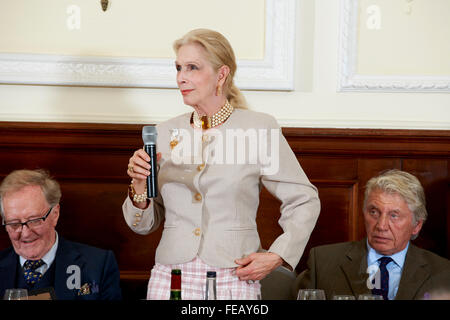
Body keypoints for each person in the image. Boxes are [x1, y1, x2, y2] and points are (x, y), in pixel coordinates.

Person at [122, 28, 320, 300]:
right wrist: (139, 186)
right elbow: (142, 225)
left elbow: (304, 199)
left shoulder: (259, 128)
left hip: (234, 277)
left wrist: (278, 255)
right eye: (178, 68)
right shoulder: (163, 133)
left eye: (192, 67)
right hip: (171, 278)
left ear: (221, 74)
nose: (181, 77)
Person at [293, 169, 450, 300]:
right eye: (374, 212)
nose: (381, 226)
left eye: (394, 215)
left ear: (416, 226)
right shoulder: (323, 262)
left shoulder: (443, 273)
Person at [0, 169, 122, 300]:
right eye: (14, 224)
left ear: (55, 214)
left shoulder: (98, 265)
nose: (25, 233)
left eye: (35, 221)